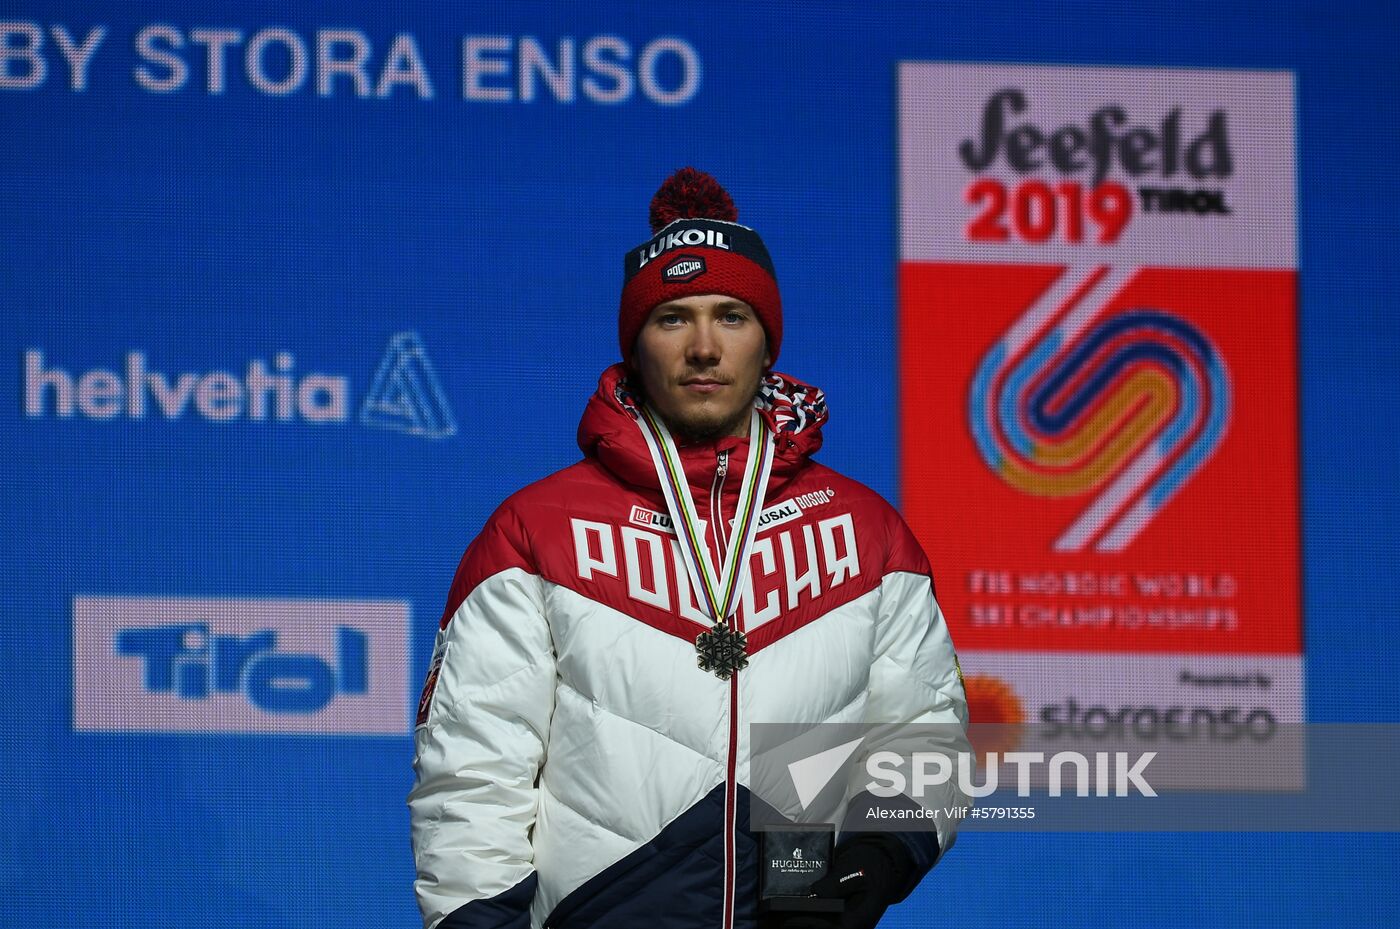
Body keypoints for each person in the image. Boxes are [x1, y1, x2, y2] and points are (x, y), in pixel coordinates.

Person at [408, 168, 970, 929]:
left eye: (731, 316)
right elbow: (472, 771)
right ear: (635, 346)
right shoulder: (534, 532)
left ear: (767, 344)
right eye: (673, 318)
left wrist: (882, 852)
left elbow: (924, 727)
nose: (704, 348)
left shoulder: (867, 532)